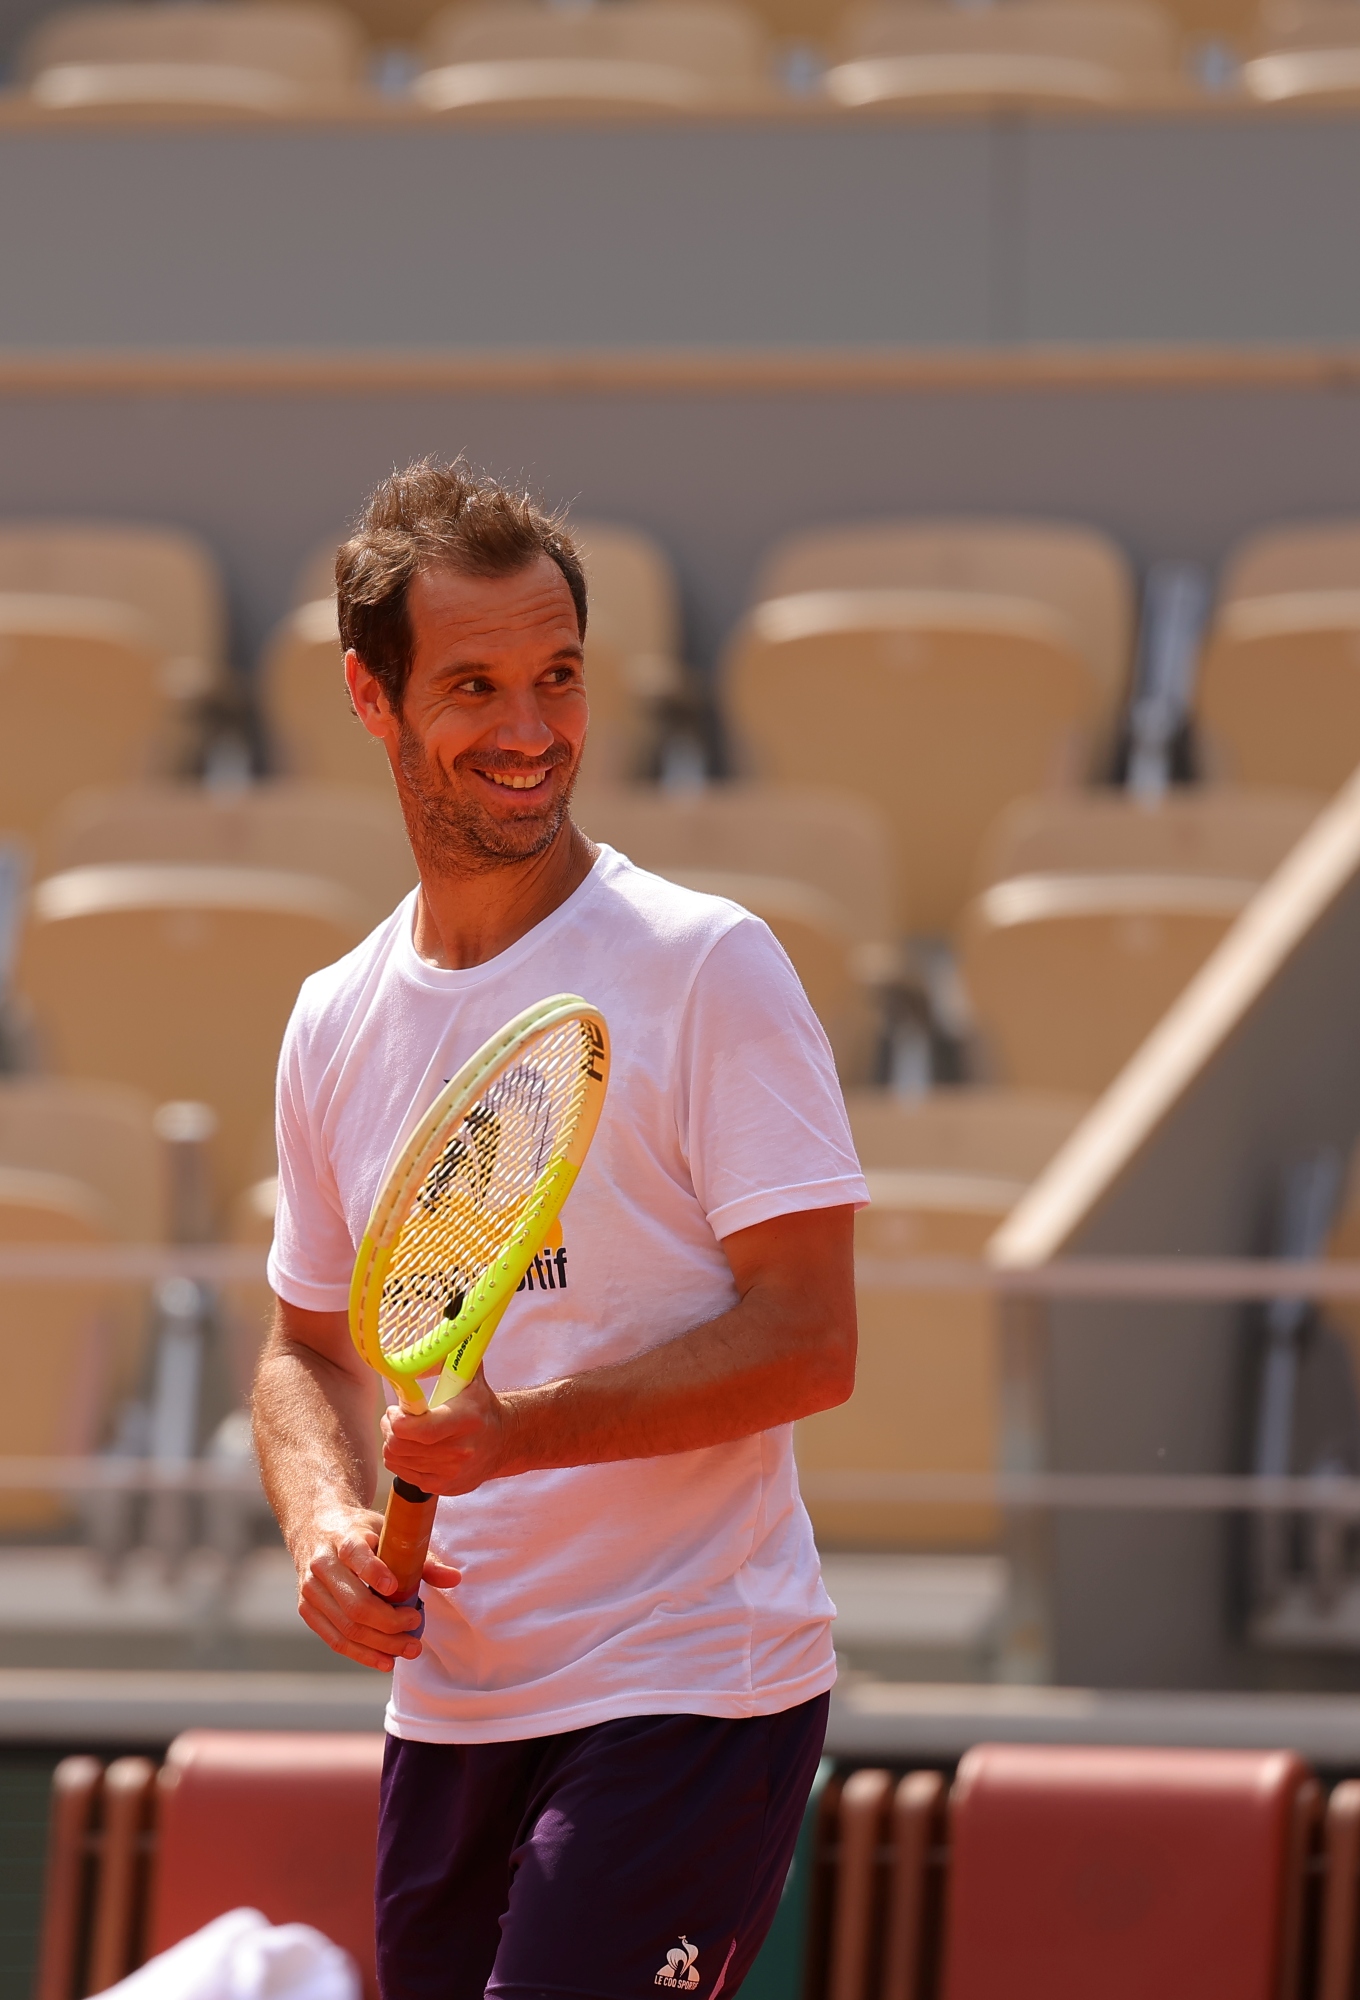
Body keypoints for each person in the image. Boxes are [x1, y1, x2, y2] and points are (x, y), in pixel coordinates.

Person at [251, 459, 871, 2000]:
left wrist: (514, 1437)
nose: (532, 731)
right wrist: (325, 1524)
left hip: (690, 1690)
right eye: (474, 684)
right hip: (451, 1714)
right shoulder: (332, 1022)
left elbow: (812, 1339)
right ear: (370, 697)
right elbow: (303, 1356)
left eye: (560, 677)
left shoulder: (709, 966)